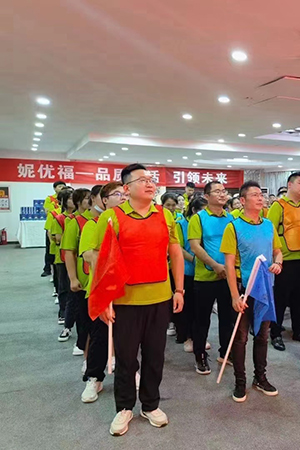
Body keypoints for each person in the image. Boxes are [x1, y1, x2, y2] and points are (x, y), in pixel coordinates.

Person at [94, 163, 184, 436]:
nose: (149, 183)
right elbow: (102, 261)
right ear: (126, 188)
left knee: (155, 355)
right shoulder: (111, 217)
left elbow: (175, 253)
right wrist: (104, 300)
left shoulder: (165, 215)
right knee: (126, 358)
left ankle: (150, 404)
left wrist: (179, 290)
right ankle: (124, 407)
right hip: (125, 301)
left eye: (151, 179)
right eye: (142, 179)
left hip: (159, 298)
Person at [220, 180, 283, 402]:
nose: (260, 198)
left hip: (265, 287)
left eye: (261, 195)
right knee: (241, 337)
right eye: (254, 195)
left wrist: (278, 263)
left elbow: (277, 251)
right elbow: (228, 265)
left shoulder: (268, 225)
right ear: (242, 200)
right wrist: (234, 296)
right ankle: (240, 381)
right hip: (243, 288)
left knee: (263, 335)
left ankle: (260, 377)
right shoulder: (233, 227)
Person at [79, 182, 127, 403]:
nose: (122, 197)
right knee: (99, 336)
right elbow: (89, 254)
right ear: (104, 200)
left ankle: (129, 372)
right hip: (102, 288)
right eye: (116, 194)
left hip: (127, 290)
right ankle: (94, 378)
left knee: (127, 336)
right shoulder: (94, 224)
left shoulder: (131, 223)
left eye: (125, 194)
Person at [188, 181, 236, 375]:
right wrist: (215, 265)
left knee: (228, 318)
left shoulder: (231, 218)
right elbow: (195, 246)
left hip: (227, 276)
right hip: (205, 277)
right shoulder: (198, 218)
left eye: (223, 191)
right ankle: (199, 355)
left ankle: (225, 353)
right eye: (217, 192)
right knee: (202, 320)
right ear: (207, 197)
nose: (222, 194)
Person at [267, 172, 300, 351]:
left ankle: (298, 330)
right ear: (289, 185)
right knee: (280, 299)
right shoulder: (278, 206)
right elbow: (270, 231)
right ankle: (275, 333)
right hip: (284, 260)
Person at [60, 187, 93, 354]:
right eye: (87, 198)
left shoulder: (104, 219)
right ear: (79, 202)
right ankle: (81, 344)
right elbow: (69, 252)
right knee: (82, 314)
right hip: (83, 276)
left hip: (99, 277)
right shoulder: (75, 222)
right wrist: (72, 278)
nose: (90, 201)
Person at [174, 197, 204, 353]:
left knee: (199, 308)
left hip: (203, 272)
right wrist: (193, 259)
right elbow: (178, 248)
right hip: (187, 270)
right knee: (187, 307)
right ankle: (187, 337)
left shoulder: (206, 223)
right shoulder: (180, 224)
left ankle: (198, 336)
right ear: (193, 210)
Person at [52, 188, 75, 332]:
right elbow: (57, 238)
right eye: (71, 198)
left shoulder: (80, 217)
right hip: (62, 257)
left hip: (77, 258)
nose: (74, 201)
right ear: (64, 202)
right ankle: (62, 313)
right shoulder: (60, 218)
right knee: (64, 288)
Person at [42, 180, 66, 277]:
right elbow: (47, 211)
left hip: (63, 224)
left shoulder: (67, 197)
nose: (61, 188)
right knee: (50, 248)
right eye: (59, 186)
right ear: (55, 188)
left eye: (63, 186)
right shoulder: (50, 199)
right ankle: (47, 268)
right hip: (52, 224)